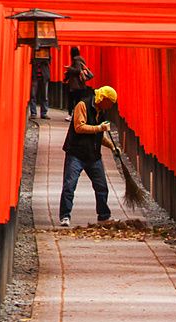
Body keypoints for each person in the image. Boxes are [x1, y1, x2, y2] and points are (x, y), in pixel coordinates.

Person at [58, 86, 123, 227]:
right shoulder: (83, 105)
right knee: (69, 185)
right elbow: (79, 127)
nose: (111, 106)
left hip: (93, 155)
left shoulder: (101, 112)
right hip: (76, 153)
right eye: (110, 102)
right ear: (103, 98)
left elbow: (99, 136)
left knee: (102, 187)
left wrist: (112, 146)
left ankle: (104, 216)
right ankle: (65, 216)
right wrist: (100, 128)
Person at [63, 47, 92, 122]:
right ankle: (77, 115)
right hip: (81, 85)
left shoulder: (76, 60)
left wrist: (69, 68)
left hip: (75, 85)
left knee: (71, 100)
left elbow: (78, 70)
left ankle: (71, 115)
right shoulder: (81, 59)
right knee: (78, 101)